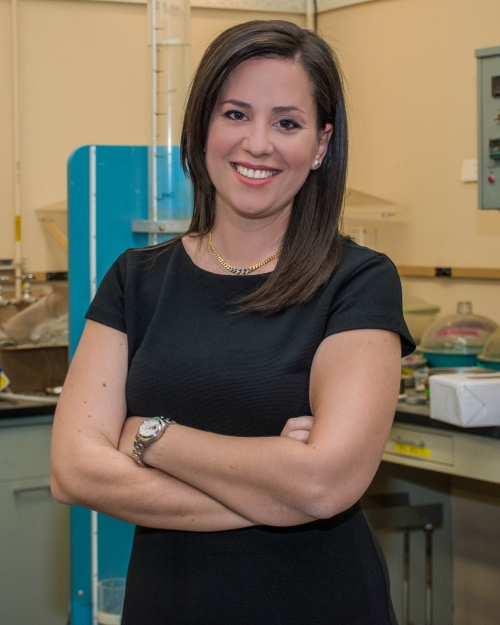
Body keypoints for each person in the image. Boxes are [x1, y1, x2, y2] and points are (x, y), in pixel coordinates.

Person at [51, 20, 415, 624]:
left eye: (288, 123)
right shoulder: (135, 280)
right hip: (169, 603)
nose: (259, 143)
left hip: (316, 603)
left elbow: (326, 483)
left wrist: (150, 435)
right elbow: (72, 469)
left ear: (321, 145)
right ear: (203, 127)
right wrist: (279, 490)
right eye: (237, 114)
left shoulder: (359, 280)